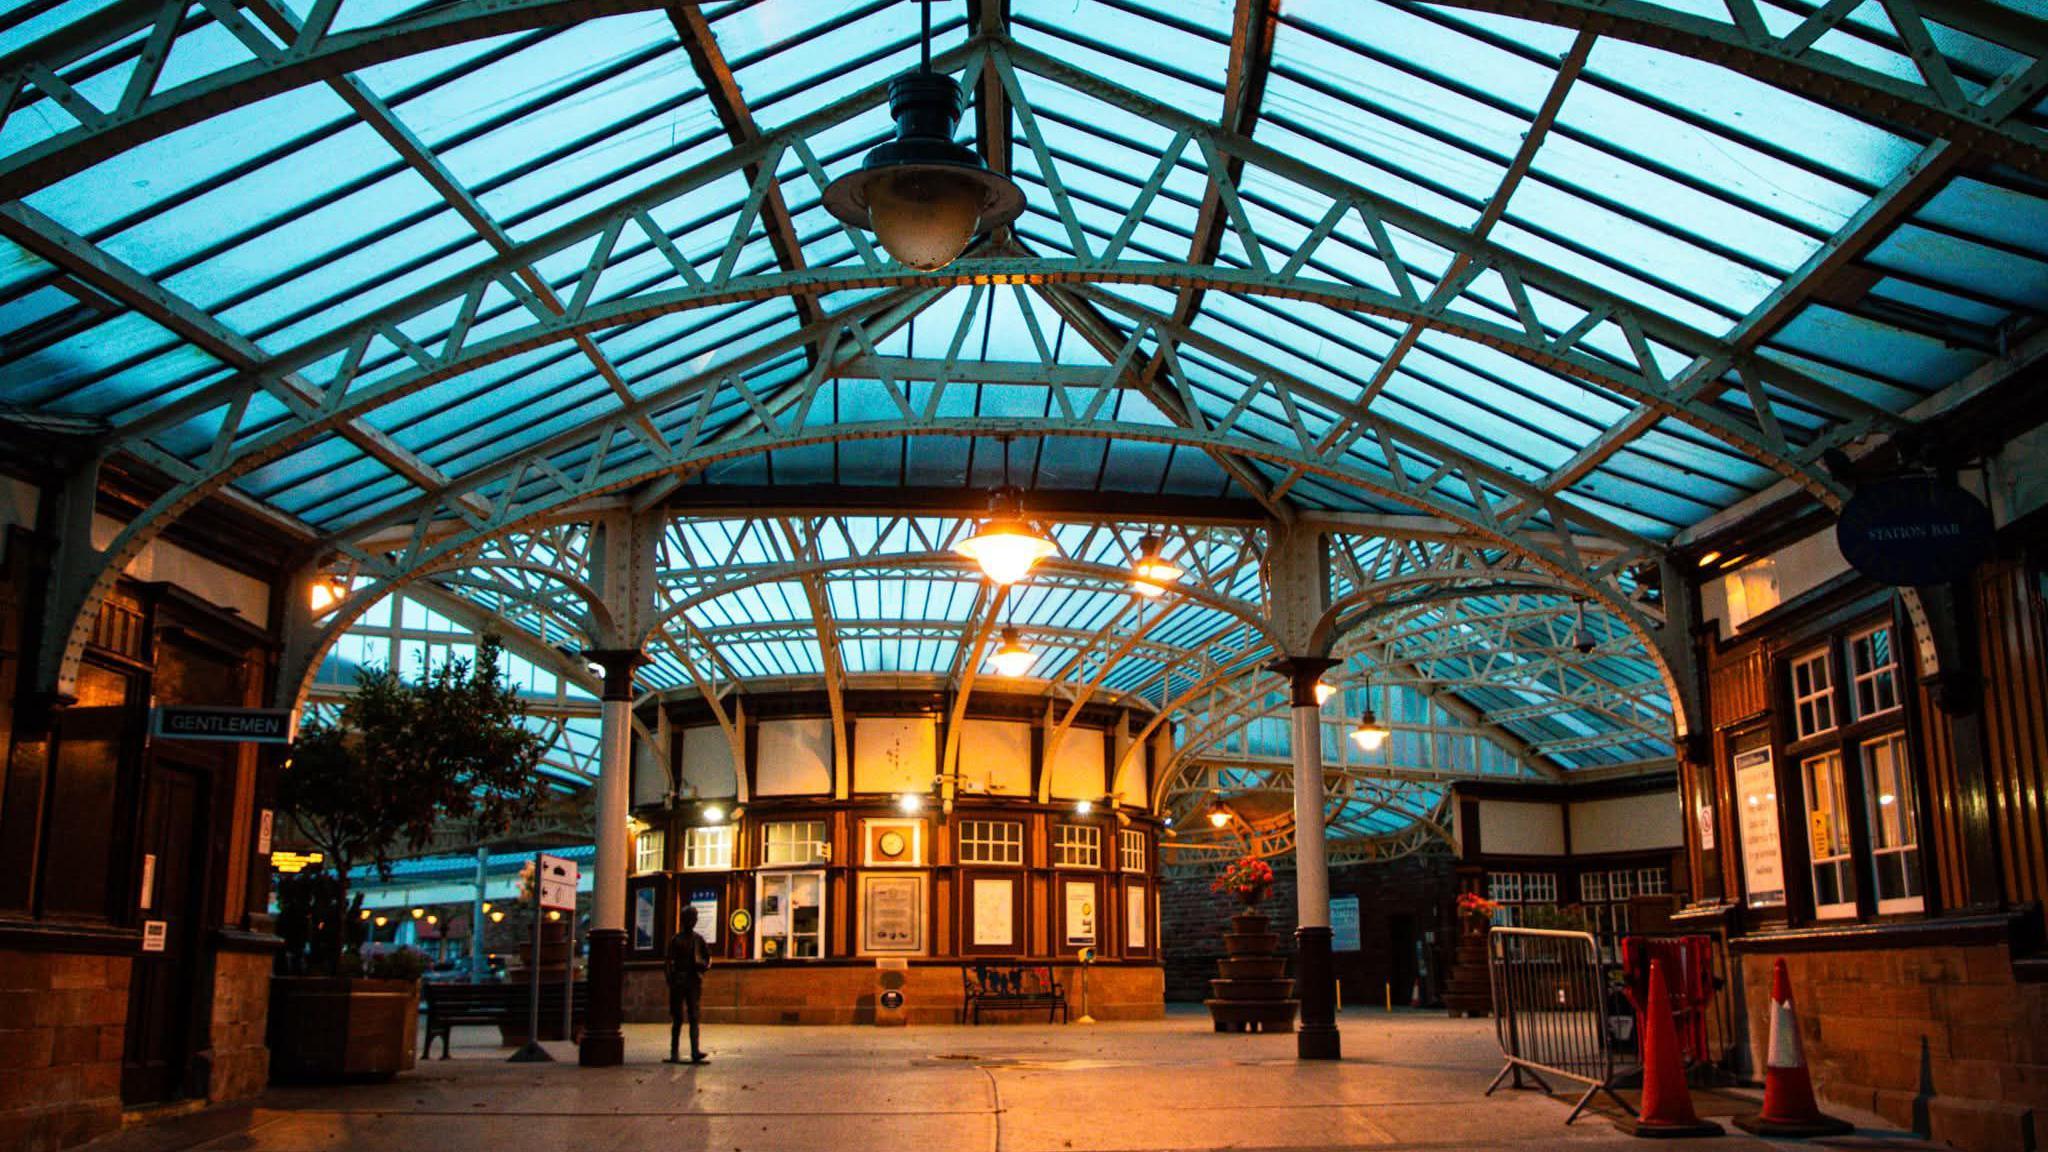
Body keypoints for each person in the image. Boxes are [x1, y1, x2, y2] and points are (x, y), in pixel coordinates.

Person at [664, 905, 711, 1064]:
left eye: (695, 918)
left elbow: (707, 957)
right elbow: (668, 962)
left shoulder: (698, 939)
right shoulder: (676, 939)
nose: (694, 920)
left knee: (694, 1016)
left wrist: (703, 966)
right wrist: (670, 980)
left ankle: (695, 1051)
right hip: (679, 981)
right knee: (677, 1018)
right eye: (692, 917)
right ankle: (674, 1052)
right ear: (685, 920)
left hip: (693, 981)